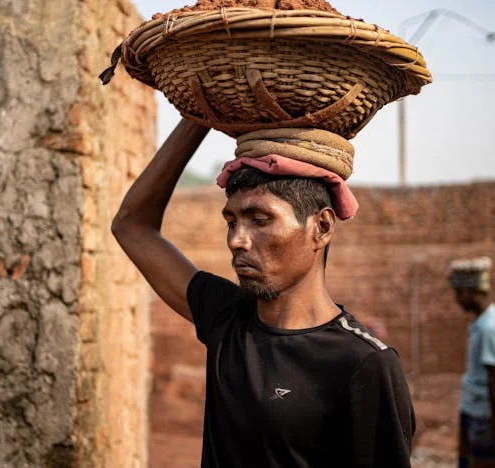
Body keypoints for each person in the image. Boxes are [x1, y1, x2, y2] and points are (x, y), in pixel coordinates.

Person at [112, 118, 415, 467]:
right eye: (231, 221)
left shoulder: (364, 363)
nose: (236, 240)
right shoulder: (228, 318)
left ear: (322, 227)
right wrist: (198, 118)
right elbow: (131, 225)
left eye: (259, 220)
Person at [448, 257, 495, 468]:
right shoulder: (488, 321)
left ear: (471, 292)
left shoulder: (489, 329)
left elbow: (494, 378)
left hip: (486, 419)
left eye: (459, 294)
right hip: (479, 413)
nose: (457, 299)